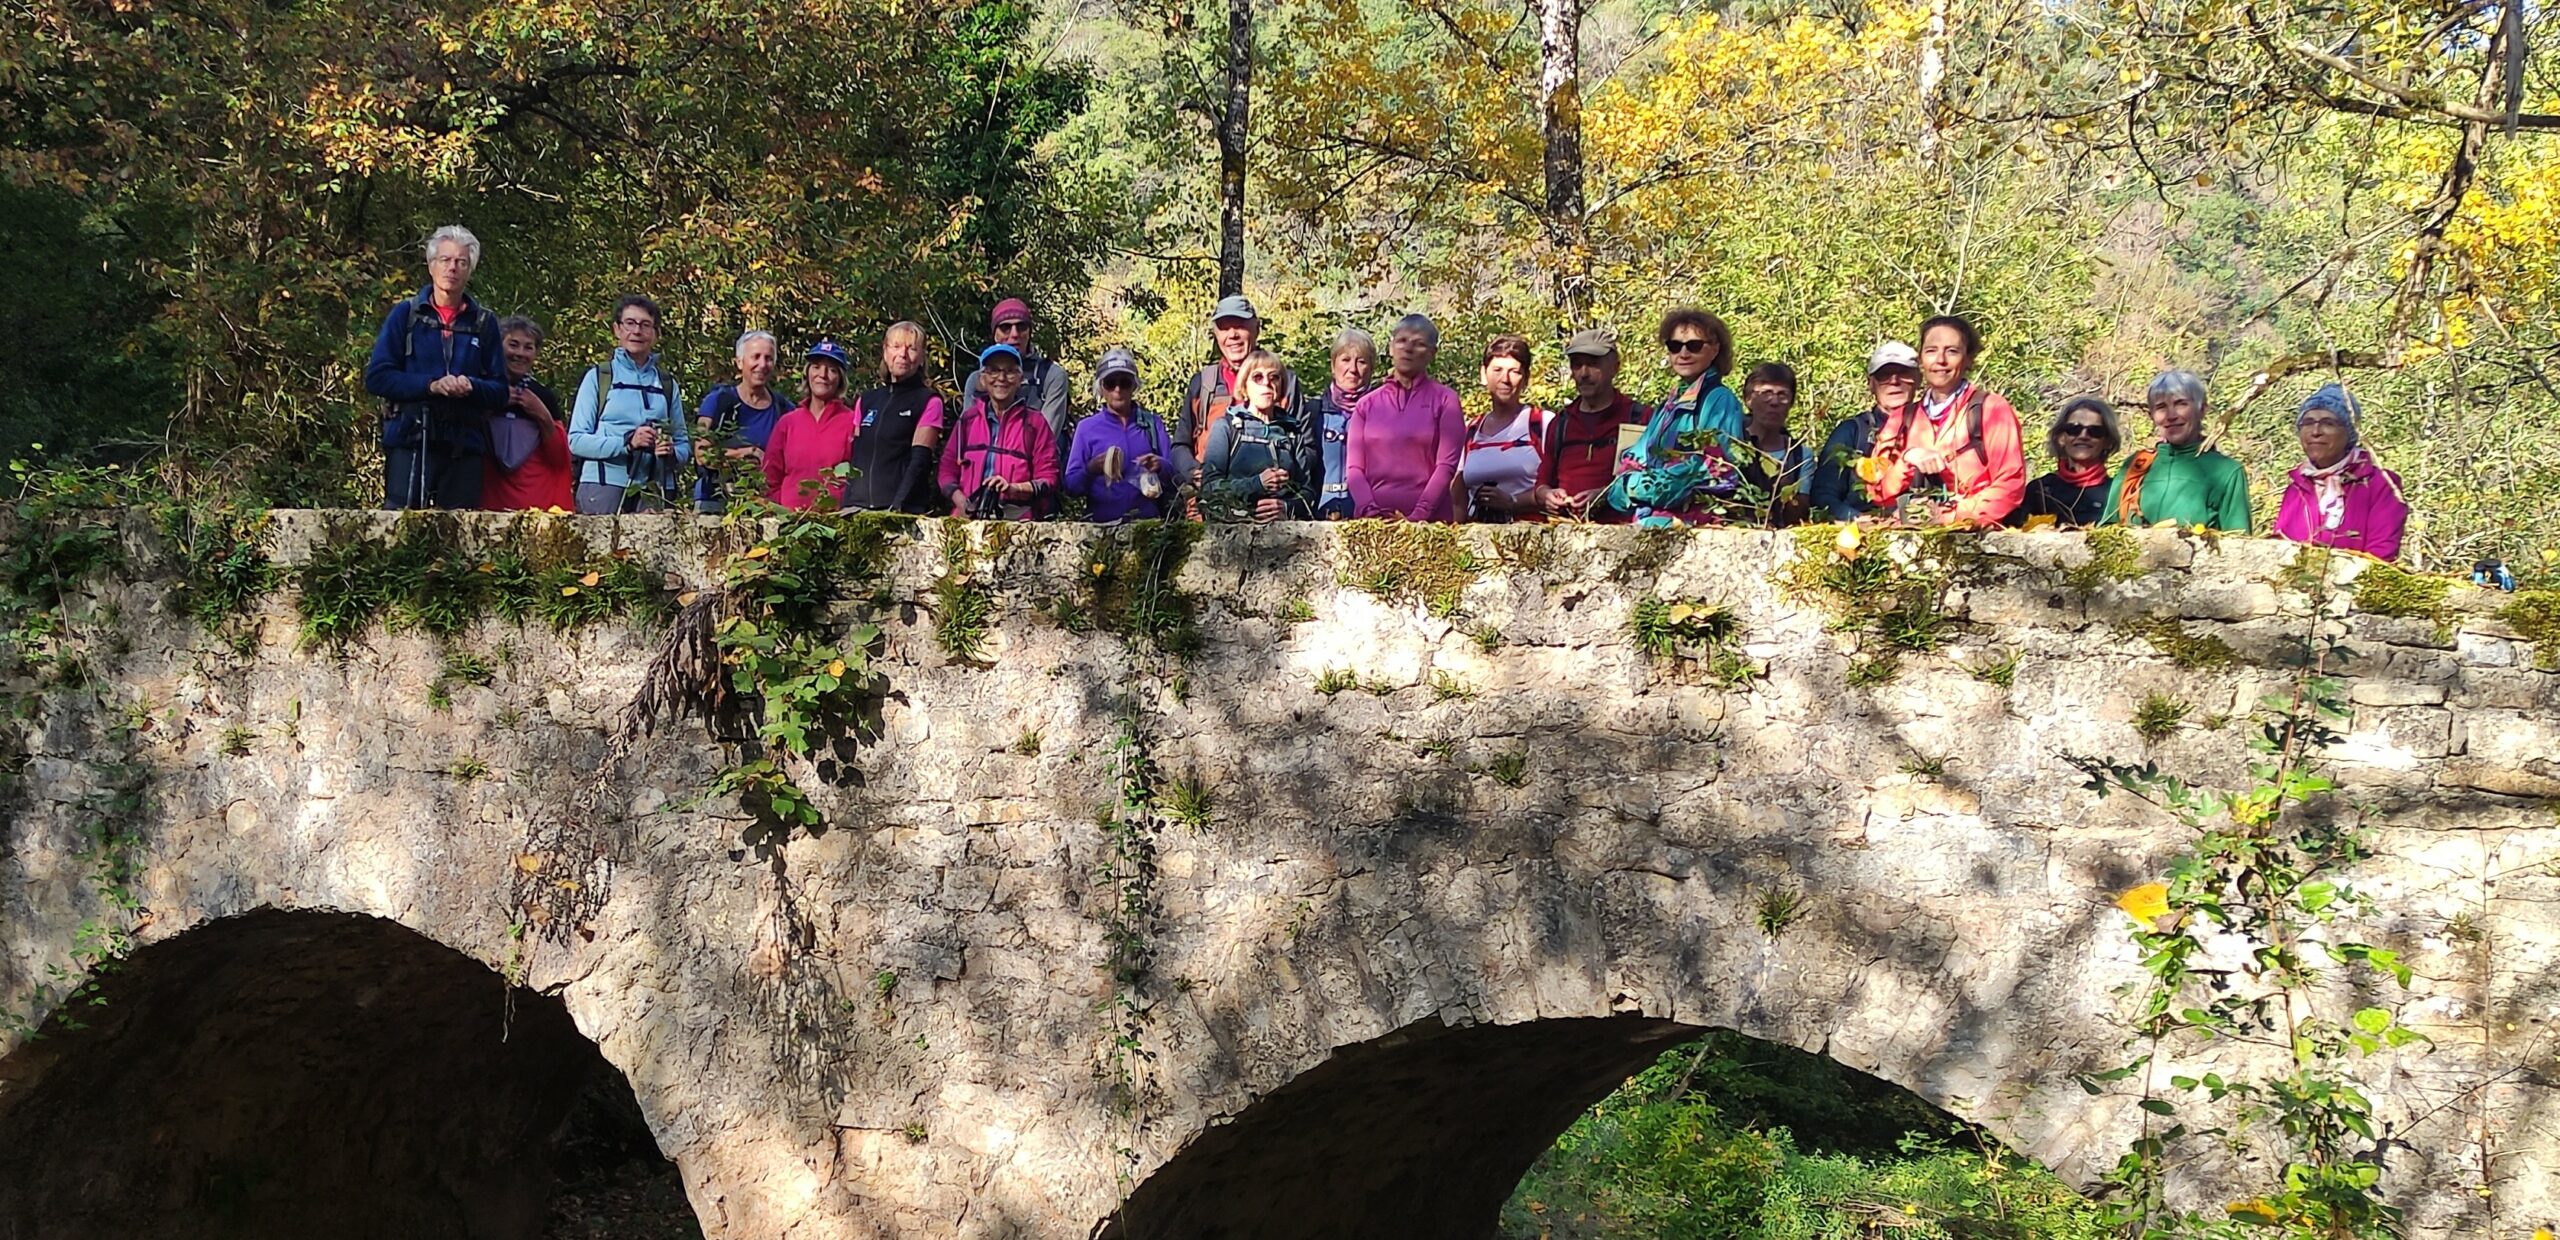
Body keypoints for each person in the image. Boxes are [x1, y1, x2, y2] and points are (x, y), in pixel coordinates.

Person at [365, 224, 509, 510]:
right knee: (401, 527)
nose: (452, 268)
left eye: (461, 262)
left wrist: (471, 386)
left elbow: (500, 390)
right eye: (445, 260)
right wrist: (430, 385)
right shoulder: (406, 315)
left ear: (470, 270)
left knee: (462, 530)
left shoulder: (483, 323)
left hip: (464, 444)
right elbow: (378, 377)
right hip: (411, 439)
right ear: (431, 265)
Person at [1863, 314, 2026, 527]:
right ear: (1921, 360)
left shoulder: (1991, 409)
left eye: (1952, 351)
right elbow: (1876, 492)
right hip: (1911, 537)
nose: (1940, 360)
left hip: (1976, 537)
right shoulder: (1901, 418)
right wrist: (1906, 460)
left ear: (1968, 359)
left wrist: (1949, 516)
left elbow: (2010, 485)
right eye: (1931, 351)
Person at [1604, 308, 1746, 525]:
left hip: (1693, 528)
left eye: (1694, 346)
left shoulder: (1719, 400)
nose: (1684, 354)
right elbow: (1631, 462)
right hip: (1650, 523)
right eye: (1675, 346)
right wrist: (1625, 486)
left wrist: (1634, 487)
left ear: (1715, 349)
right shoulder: (1668, 404)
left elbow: (1715, 469)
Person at [566, 295, 692, 514]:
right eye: (630, 323)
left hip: (654, 489)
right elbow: (576, 441)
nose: (637, 331)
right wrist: (627, 443)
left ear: (655, 333)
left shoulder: (666, 383)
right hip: (603, 486)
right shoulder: (599, 377)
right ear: (617, 329)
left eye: (645, 325)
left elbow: (683, 444)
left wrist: (671, 452)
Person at [1347, 314, 1466, 522]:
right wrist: (1369, 511)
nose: (1408, 349)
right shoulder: (1366, 405)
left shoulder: (1445, 400)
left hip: (1429, 524)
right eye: (1402, 341)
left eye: (1419, 344)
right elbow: (1354, 469)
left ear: (1432, 353)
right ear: (1390, 348)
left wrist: (1420, 515)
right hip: (1372, 523)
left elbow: (1446, 466)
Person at [1173, 295, 1300, 489]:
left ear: (1257, 329)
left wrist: (1287, 492)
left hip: (1273, 500)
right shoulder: (1204, 384)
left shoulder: (1282, 383)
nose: (1232, 335)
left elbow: (1304, 447)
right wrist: (1194, 472)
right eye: (1224, 328)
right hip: (1208, 501)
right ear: (1216, 335)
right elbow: (1180, 445)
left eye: (1240, 326)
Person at [2102, 369, 2251, 531]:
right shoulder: (2136, 465)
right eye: (2161, 407)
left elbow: (2239, 539)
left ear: (2202, 410)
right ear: (2152, 416)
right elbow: (2108, 531)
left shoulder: (2226, 473)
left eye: (2181, 404)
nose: (2171, 416)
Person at [2273, 384, 2407, 560]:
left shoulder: (2380, 484)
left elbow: (2381, 555)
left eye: (2328, 423)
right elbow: (2279, 549)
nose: (2315, 432)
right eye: (2308, 423)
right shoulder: (2296, 488)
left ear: (2349, 432)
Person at [941, 343, 1060, 520]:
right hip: (966, 518)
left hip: (1017, 521)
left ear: (1020, 379)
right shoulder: (967, 421)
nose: (1002, 378)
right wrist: (962, 502)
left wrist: (1014, 489)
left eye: (1010, 371)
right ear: (982, 379)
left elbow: (1049, 477)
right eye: (993, 371)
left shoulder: (1035, 423)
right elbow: (947, 469)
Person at [1530, 329, 1638, 523]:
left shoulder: (1638, 418)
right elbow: (1541, 483)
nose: (1584, 373)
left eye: (1593, 364)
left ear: (1615, 367)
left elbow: (1648, 482)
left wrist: (1605, 496)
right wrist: (1547, 495)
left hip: (1621, 532)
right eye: (1577, 364)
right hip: (1566, 531)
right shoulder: (1561, 423)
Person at [1200, 350, 1321, 522]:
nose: (1266, 383)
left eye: (1274, 377)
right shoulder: (1226, 427)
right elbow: (1209, 488)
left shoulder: (1292, 432)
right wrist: (1258, 483)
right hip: (1233, 529)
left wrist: (1286, 507)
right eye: (1257, 377)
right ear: (1244, 386)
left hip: (1284, 531)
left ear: (1281, 386)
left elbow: (1307, 490)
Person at [841, 321, 948, 513]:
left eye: (911, 348)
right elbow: (856, 458)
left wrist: (897, 507)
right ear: (885, 351)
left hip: (902, 509)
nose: (903, 354)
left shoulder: (929, 401)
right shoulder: (867, 400)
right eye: (896, 346)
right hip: (857, 506)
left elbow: (920, 461)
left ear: (921, 357)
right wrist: (846, 503)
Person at [1807, 342, 1917, 522]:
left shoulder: (1938, 428)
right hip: (1862, 531)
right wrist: (1857, 519)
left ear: (1918, 378)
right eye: (1884, 375)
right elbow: (1823, 495)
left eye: (1904, 373)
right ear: (1870, 384)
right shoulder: (1852, 432)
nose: (1894, 381)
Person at [1064, 347, 1175, 522]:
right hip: (1102, 526)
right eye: (1110, 383)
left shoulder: (1152, 424)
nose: (1117, 389)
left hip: (1147, 526)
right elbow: (1071, 486)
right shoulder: (1086, 428)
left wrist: (1159, 465)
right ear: (1101, 387)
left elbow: (1175, 477)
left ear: (1134, 386)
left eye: (1125, 383)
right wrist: (1091, 469)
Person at [961, 298, 1072, 470]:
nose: (1014, 334)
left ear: (1029, 332)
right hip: (982, 471)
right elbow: (966, 435)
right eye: (1005, 327)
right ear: (995, 333)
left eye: (1021, 327)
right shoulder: (977, 380)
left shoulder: (1052, 375)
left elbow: (1047, 437)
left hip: (1032, 473)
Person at [693, 330, 796, 514]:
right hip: (715, 500)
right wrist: (747, 454)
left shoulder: (784, 409)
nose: (762, 364)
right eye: (755, 357)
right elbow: (702, 454)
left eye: (768, 358)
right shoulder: (717, 401)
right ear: (739, 362)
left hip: (765, 504)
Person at [481, 316, 575, 512]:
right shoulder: (481, 389)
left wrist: (541, 413)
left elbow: (559, 458)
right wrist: (493, 403)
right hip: (489, 496)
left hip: (535, 501)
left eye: (528, 347)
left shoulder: (542, 396)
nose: (520, 353)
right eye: (513, 345)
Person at [1458, 335, 1551, 522]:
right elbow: (1457, 496)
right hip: (1478, 534)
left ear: (1526, 378)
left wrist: (1513, 502)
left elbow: (1559, 487)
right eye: (1497, 370)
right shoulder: (1470, 430)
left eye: (1514, 372)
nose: (1505, 379)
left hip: (1532, 532)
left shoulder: (1543, 423)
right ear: (1483, 374)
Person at [760, 341, 860, 510]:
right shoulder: (788, 423)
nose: (823, 374)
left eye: (832, 370)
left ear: (840, 379)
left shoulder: (851, 422)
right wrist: (780, 509)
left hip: (836, 519)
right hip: (789, 518)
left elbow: (859, 477)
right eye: (816, 367)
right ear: (807, 373)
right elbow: (770, 477)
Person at [2013, 395, 2121, 528]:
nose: (2083, 436)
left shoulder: (2117, 493)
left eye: (2095, 431)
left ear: (2107, 442)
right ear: (2061, 438)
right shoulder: (2040, 490)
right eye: (2074, 429)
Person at [1730, 362, 1812, 527]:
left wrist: (1785, 485)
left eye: (1782, 395)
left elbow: (1799, 516)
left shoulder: (1799, 456)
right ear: (1748, 399)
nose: (1774, 401)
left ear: (1791, 402)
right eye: (1766, 393)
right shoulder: (1733, 445)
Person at [1314, 329, 1376, 518]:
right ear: (1333, 365)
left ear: (1371, 368)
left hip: (1368, 515)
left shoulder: (1382, 414)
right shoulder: (1313, 412)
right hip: (1319, 514)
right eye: (1345, 360)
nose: (1353, 369)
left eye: (1361, 361)